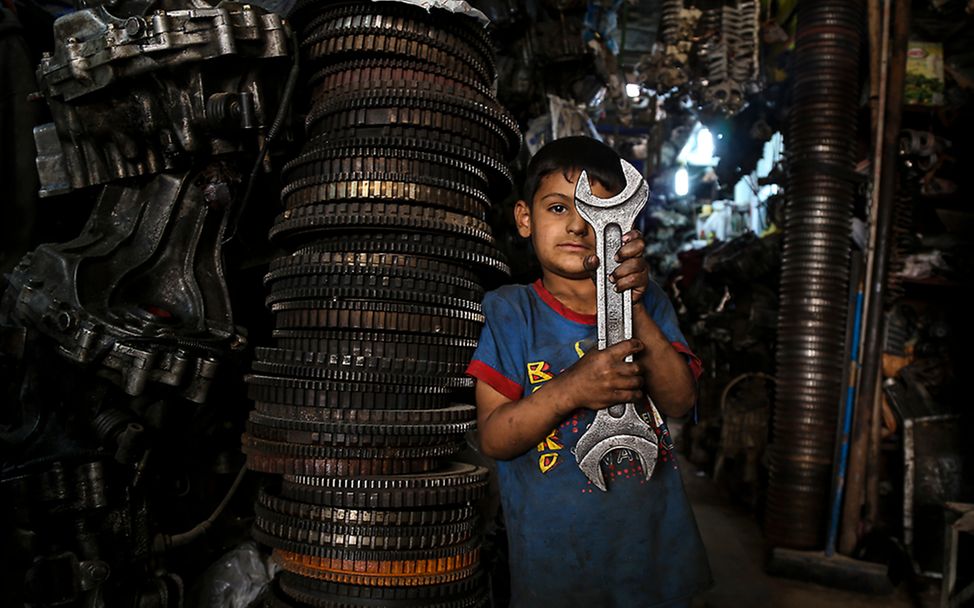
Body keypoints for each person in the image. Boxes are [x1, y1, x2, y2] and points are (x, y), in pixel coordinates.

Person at [466, 136, 712, 607]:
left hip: (655, 559)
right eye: (558, 208)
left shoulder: (648, 299)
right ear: (524, 219)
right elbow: (495, 437)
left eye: (596, 214)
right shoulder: (511, 312)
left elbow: (681, 400)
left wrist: (632, 305)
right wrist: (571, 389)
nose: (578, 226)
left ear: (622, 226)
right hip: (554, 566)